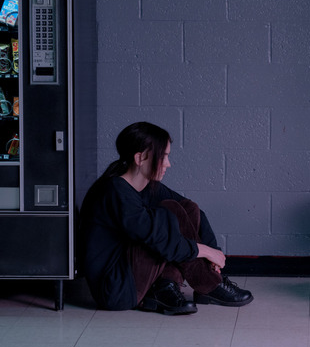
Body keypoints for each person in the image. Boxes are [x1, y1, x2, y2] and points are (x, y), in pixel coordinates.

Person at [80, 121, 253, 315]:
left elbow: (194, 213)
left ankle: (166, 287)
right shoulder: (115, 191)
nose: (168, 164)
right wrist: (203, 251)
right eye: (163, 157)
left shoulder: (146, 186)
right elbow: (160, 239)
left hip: (132, 274)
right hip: (117, 289)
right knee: (168, 214)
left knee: (186, 208)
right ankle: (210, 285)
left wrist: (213, 254)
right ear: (140, 158)